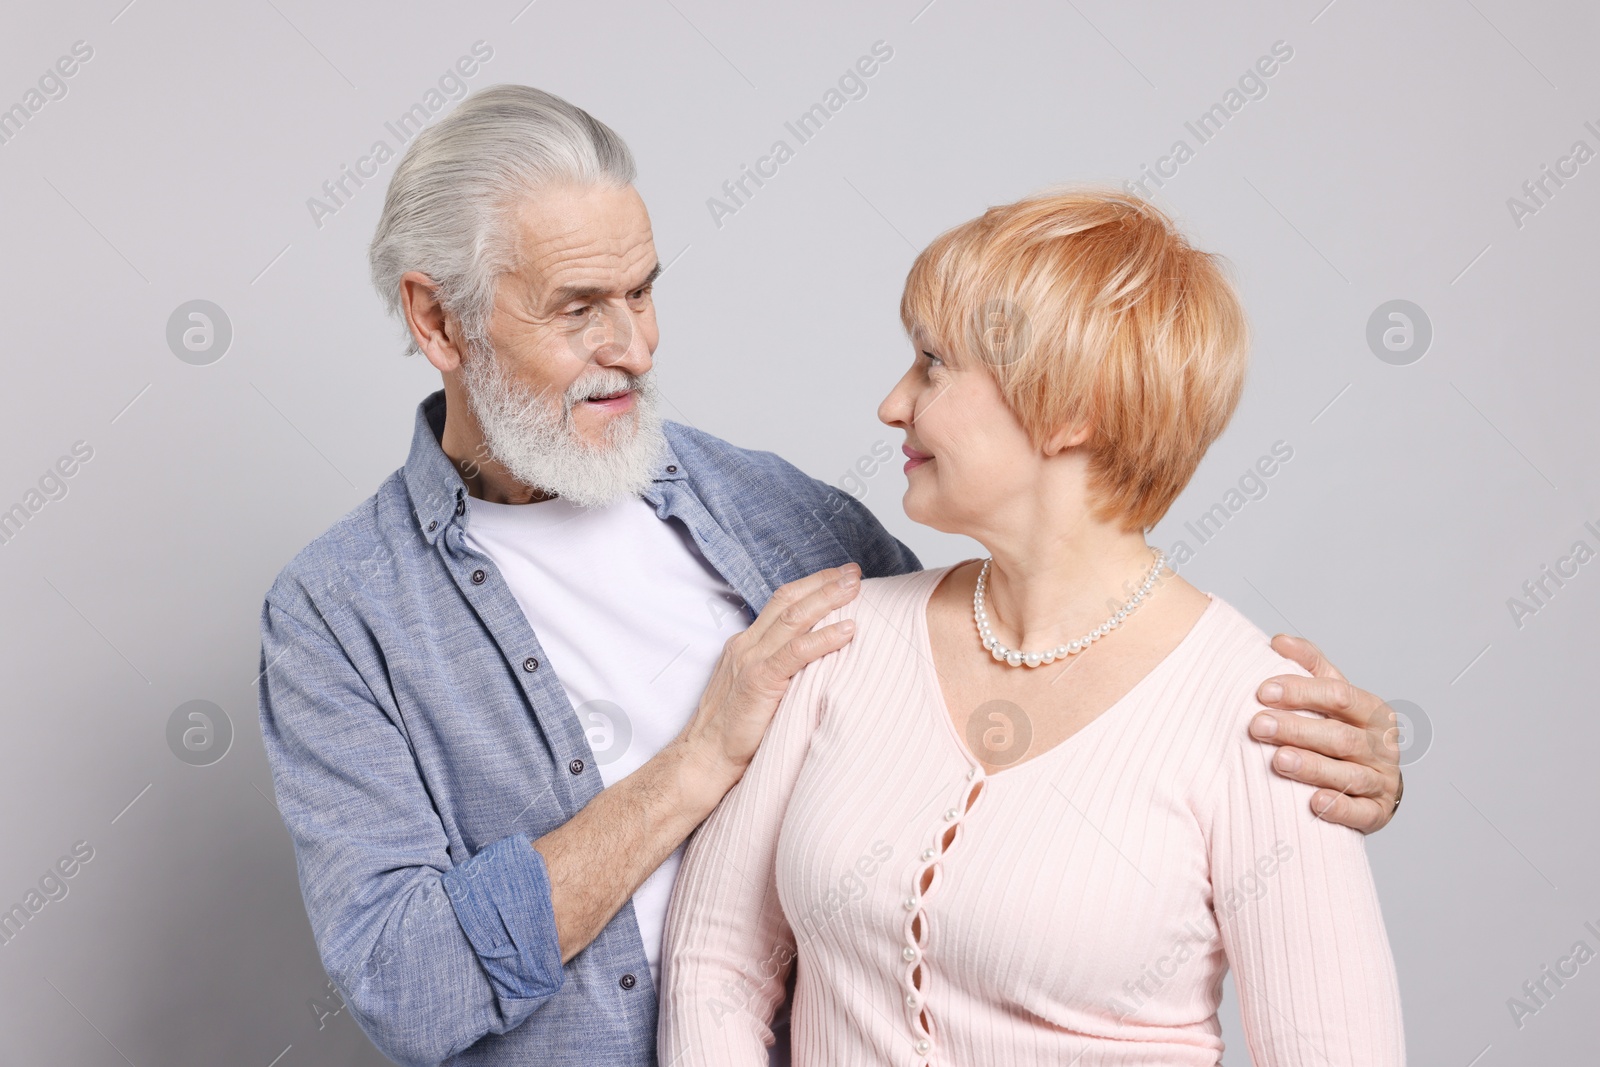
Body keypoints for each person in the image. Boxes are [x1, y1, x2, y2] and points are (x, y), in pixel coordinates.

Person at [256, 84, 1402, 1066]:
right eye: (578, 309)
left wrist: (1318, 783)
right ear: (437, 319)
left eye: (644, 290)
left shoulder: (787, 524)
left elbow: (1036, 660)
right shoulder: (341, 613)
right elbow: (409, 982)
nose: (637, 346)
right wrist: (700, 757)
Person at [659, 190, 1404, 1066]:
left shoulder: (1262, 715)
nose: (893, 404)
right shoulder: (841, 634)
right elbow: (715, 962)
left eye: (934, 364)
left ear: (1069, 409)